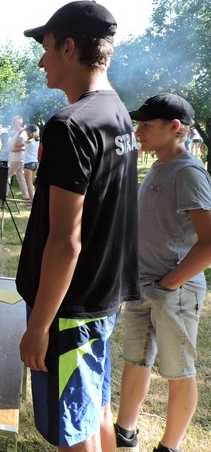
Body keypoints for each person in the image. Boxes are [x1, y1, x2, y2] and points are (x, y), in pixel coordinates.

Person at [17, 0, 140, 451]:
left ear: (69, 47)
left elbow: (66, 241)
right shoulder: (118, 116)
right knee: (96, 410)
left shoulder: (69, 126)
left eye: (46, 48)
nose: (40, 60)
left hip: (70, 309)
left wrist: (38, 326)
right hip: (102, 300)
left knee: (73, 432)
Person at [115, 94, 211, 452]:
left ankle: (168, 447)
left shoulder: (187, 171)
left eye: (146, 125)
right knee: (135, 361)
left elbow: (209, 243)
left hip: (174, 290)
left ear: (174, 128)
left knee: (178, 372)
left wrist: (167, 285)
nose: (138, 132)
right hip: (143, 286)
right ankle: (125, 434)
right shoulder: (158, 165)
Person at [7, 116, 30, 201]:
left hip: (17, 158)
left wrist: (11, 149)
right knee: (20, 177)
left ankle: (4, 193)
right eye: (12, 122)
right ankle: (26, 195)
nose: (12, 124)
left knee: (6, 175)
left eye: (14, 122)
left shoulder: (22, 133)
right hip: (18, 158)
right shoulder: (18, 132)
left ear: (19, 123)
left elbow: (20, 146)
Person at [22, 124, 40, 204]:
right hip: (35, 163)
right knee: (31, 184)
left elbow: (20, 145)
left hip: (28, 163)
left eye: (27, 131)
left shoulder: (29, 141)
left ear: (30, 132)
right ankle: (34, 200)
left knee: (28, 184)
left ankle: (33, 203)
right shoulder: (37, 140)